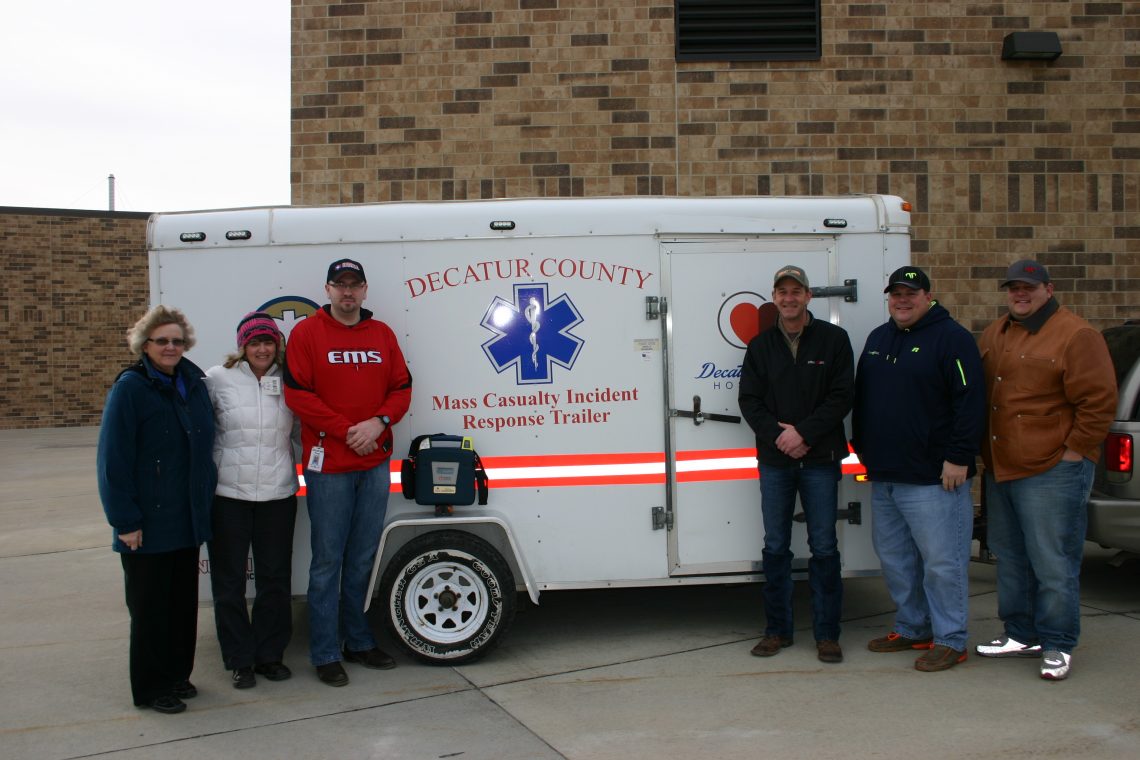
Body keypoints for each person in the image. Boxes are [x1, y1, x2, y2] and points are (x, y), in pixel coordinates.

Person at [976, 259, 1116, 681]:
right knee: (1012, 557)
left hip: (1052, 469)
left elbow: (1098, 402)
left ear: (1048, 290)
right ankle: (1020, 633)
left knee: (1054, 561)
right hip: (1003, 468)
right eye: (1014, 288)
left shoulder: (1077, 335)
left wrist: (1075, 452)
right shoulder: (995, 333)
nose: (1020, 294)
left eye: (1029, 288)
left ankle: (1057, 643)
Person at [284, 258, 412, 687]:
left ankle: (357, 641)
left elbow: (402, 387)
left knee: (361, 558)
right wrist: (346, 431)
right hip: (330, 468)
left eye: (354, 285)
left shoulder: (382, 335)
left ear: (365, 289)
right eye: (339, 285)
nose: (347, 292)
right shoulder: (307, 333)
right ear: (327, 289)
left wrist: (378, 423)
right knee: (327, 562)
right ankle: (324, 651)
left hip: (374, 463)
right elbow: (298, 395)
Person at [852, 266, 984, 672]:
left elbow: (970, 400)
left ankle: (950, 639)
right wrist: (864, 451)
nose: (902, 300)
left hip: (934, 477)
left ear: (928, 296)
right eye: (896, 294)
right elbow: (863, 397)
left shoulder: (953, 339)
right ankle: (913, 627)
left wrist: (959, 456)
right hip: (886, 475)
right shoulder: (879, 337)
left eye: (911, 293)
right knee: (896, 560)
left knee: (942, 563)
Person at [96, 305, 217, 714]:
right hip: (146, 523)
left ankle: (177, 676)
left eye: (177, 341)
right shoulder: (132, 388)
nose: (170, 347)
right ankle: (150, 688)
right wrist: (125, 521)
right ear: (144, 345)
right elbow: (113, 461)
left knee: (182, 606)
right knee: (150, 612)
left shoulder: (192, 383)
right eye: (161, 340)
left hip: (185, 520)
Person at [739, 264, 853, 664]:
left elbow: (842, 397)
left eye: (796, 291)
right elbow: (749, 402)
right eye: (781, 292)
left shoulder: (834, 340)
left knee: (823, 546)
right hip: (775, 461)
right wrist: (780, 437)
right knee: (776, 546)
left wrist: (802, 434)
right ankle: (777, 631)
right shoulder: (760, 346)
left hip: (820, 460)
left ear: (808, 296)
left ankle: (827, 634)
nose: (789, 298)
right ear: (774, 298)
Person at [205, 312, 299, 690]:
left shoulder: (289, 382)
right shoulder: (217, 379)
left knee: (275, 579)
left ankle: (269, 655)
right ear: (242, 346)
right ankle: (239, 659)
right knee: (228, 583)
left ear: (277, 346)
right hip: (228, 496)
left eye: (268, 342)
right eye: (255, 342)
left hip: (277, 493)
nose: (262, 349)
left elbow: (304, 430)